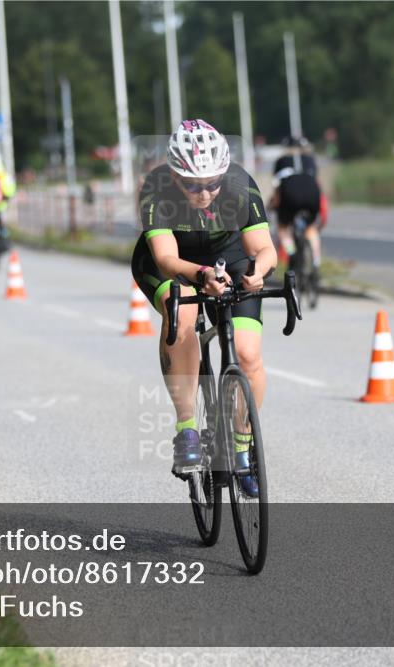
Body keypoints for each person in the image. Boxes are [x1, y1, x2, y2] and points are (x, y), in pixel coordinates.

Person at [131, 119, 277, 497]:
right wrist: (200, 275)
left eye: (213, 182)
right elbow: (165, 258)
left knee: (248, 355)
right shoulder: (156, 187)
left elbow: (264, 248)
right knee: (181, 317)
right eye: (194, 185)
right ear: (176, 177)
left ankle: (242, 447)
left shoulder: (239, 184)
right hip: (175, 260)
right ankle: (187, 429)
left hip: (225, 254)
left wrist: (258, 272)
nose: (205, 192)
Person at [270, 136, 327, 276]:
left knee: (283, 228)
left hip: (290, 192)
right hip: (312, 192)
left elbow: (277, 188)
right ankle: (316, 262)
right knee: (311, 228)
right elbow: (317, 183)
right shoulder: (310, 159)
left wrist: (272, 205)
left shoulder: (281, 161)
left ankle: (291, 252)